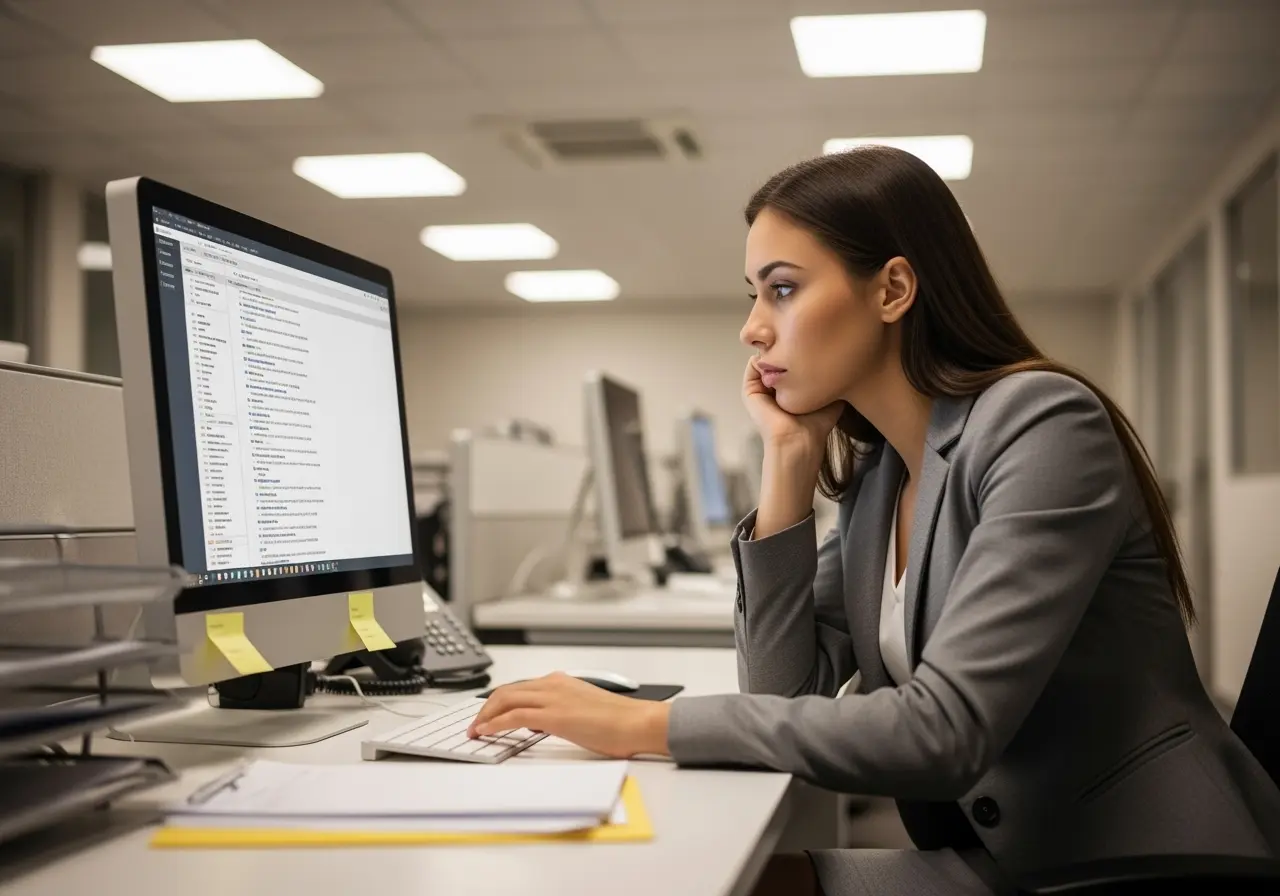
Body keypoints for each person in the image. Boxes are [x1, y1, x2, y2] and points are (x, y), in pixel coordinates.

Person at [468, 147, 1280, 895]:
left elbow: (945, 730)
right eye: (753, 295)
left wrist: (647, 723)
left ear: (892, 289)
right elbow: (783, 689)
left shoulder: (1042, 424)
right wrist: (788, 465)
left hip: (1135, 861)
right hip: (1000, 855)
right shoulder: (882, 472)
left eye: (782, 288)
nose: (753, 328)